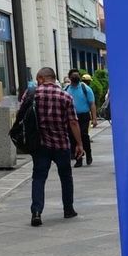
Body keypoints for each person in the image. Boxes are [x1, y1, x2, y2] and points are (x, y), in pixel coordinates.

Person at [27, 67, 84, 226]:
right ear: (54, 78)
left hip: (40, 144)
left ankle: (36, 212)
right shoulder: (65, 96)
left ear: (40, 78)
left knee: (38, 178)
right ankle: (68, 209)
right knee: (66, 177)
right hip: (61, 144)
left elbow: (24, 117)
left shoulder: (32, 94)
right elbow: (73, 121)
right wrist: (79, 144)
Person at [65, 69, 97, 167]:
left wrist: (94, 118)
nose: (75, 77)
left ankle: (88, 153)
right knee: (73, 138)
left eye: (77, 75)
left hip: (83, 116)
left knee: (83, 135)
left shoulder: (85, 88)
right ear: (69, 78)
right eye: (73, 76)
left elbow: (92, 104)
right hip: (71, 117)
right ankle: (79, 159)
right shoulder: (66, 90)